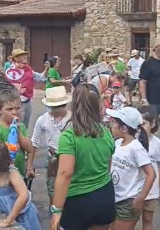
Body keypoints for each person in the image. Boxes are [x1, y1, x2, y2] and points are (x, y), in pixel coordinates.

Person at [50, 84, 116, 230]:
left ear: (72, 106)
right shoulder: (106, 132)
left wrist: (56, 209)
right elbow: (108, 166)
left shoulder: (69, 136)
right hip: (104, 194)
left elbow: (65, 174)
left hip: (78, 200)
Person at [107, 107, 156, 230]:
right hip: (115, 197)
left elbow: (151, 174)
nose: (111, 125)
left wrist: (140, 198)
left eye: (114, 122)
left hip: (128, 201)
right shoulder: (117, 143)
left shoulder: (136, 148)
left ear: (124, 128)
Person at [0, 141, 41, 230]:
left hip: (23, 216)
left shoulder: (11, 174)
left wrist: (8, 221)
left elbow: (24, 195)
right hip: (6, 211)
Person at [31, 86, 72, 209]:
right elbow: (34, 143)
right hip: (53, 160)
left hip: (71, 159)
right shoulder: (42, 120)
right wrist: (29, 166)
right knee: (52, 191)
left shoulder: (74, 119)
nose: (57, 109)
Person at [0, 90, 35, 179]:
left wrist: (18, 131)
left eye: (18, 108)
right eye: (9, 109)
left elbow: (30, 149)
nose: (14, 112)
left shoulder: (21, 126)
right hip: (4, 178)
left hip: (21, 174)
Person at [137, 105, 160, 230]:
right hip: (136, 189)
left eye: (143, 124)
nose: (140, 128)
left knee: (148, 219)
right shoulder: (134, 143)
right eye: (138, 124)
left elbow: (159, 166)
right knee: (131, 219)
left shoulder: (157, 143)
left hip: (152, 191)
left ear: (153, 123)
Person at [5, 49, 48, 128]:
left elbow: (41, 77)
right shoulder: (10, 72)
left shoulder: (28, 69)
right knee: (16, 126)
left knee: (24, 127)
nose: (26, 57)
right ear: (16, 58)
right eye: (22, 55)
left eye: (25, 55)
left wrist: (46, 68)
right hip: (16, 102)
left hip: (27, 101)